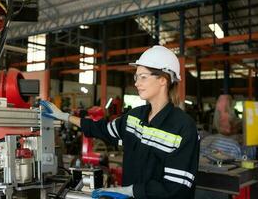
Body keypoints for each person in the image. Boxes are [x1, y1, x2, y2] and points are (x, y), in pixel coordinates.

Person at [40, 45, 200, 199]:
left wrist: (130, 191)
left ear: (163, 80)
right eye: (136, 77)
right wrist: (64, 116)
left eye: (143, 77)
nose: (137, 83)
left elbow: (176, 188)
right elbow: (101, 129)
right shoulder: (134, 117)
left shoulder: (183, 128)